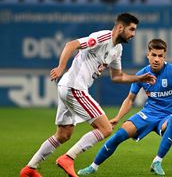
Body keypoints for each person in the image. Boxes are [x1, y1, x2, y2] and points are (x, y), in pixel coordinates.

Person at [20, 13, 156, 177]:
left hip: (69, 87)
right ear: (120, 27)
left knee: (63, 134)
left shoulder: (117, 49)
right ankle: (68, 158)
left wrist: (139, 78)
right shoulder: (102, 37)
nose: (133, 34)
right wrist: (61, 67)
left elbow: (117, 76)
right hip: (74, 87)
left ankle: (29, 169)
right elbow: (71, 45)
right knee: (105, 128)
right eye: (131, 29)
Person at [77, 38, 172, 176]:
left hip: (168, 116)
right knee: (120, 135)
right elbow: (130, 100)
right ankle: (93, 166)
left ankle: (157, 161)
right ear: (148, 55)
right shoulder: (142, 74)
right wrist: (118, 117)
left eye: (160, 56)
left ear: (164, 57)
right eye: (154, 55)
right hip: (148, 114)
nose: (156, 59)